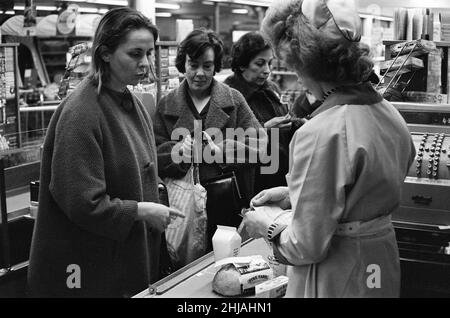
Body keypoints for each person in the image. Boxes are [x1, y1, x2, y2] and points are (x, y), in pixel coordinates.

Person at [242, 0, 416, 298]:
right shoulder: (389, 113)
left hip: (339, 275)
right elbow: (362, 188)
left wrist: (265, 225)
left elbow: (303, 246)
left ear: (306, 62)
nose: (295, 74)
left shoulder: (321, 132)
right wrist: (292, 194)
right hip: (379, 263)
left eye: (293, 64)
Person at [28, 7, 182, 298]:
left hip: (122, 260)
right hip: (86, 272)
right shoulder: (82, 112)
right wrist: (141, 210)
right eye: (135, 54)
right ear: (105, 54)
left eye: (149, 53)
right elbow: (82, 203)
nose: (146, 64)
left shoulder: (133, 102)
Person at [154, 28, 265, 252]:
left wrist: (221, 151)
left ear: (215, 67)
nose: (200, 73)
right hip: (182, 210)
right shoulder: (166, 105)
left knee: (227, 261)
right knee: (185, 269)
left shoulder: (233, 100)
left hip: (228, 207)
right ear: (183, 64)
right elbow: (152, 152)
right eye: (193, 65)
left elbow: (261, 147)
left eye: (207, 66)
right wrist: (178, 152)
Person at [224, 31, 292, 194]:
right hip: (251, 181)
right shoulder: (228, 95)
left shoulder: (272, 89)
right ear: (242, 65)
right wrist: (265, 128)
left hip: (281, 176)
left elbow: (285, 115)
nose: (267, 70)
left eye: (269, 63)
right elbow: (223, 142)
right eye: (260, 63)